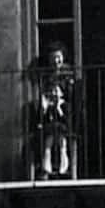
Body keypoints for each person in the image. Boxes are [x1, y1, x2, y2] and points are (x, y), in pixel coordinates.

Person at [34, 41, 75, 178]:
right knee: (49, 136)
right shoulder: (47, 76)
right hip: (50, 117)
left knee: (61, 136)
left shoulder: (68, 73)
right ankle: (47, 163)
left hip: (64, 114)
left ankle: (63, 164)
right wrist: (48, 101)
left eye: (58, 57)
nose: (56, 61)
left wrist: (60, 100)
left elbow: (71, 94)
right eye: (53, 58)